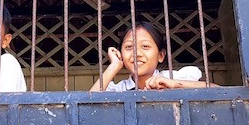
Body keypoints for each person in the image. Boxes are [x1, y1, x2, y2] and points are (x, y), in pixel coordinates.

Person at [89, 21, 218, 91]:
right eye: (129, 47)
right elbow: (87, 107)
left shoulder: (172, 78)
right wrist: (114, 66)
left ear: (161, 55)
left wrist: (174, 84)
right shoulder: (118, 89)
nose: (137, 53)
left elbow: (217, 90)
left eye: (145, 46)